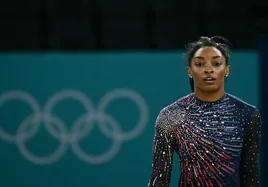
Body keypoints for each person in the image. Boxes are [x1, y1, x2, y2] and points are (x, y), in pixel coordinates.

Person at [147, 36, 262, 187]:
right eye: (200, 64)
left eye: (216, 63)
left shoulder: (247, 114)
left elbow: (250, 176)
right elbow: (159, 179)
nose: (209, 69)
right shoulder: (171, 116)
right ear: (190, 71)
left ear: (227, 70)